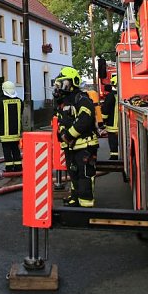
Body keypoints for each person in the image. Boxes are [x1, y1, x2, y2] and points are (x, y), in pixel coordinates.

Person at [53, 67, 99, 207]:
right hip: (70, 147)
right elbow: (60, 120)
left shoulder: (82, 99)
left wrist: (68, 135)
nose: (61, 87)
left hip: (85, 145)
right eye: (59, 84)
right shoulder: (64, 102)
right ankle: (75, 198)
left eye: (64, 83)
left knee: (84, 175)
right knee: (73, 173)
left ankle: (86, 204)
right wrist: (62, 134)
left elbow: (84, 120)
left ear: (73, 83)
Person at [0, 81, 23, 172]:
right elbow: (20, 113)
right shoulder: (19, 101)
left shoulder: (0, 102)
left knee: (7, 149)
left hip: (5, 132)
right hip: (16, 132)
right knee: (15, 149)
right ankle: (18, 167)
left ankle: (9, 168)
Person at [101, 83, 118, 160]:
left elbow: (105, 110)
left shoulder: (110, 96)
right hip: (120, 124)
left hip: (112, 124)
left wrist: (103, 121)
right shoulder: (119, 95)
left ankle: (114, 157)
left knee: (113, 142)